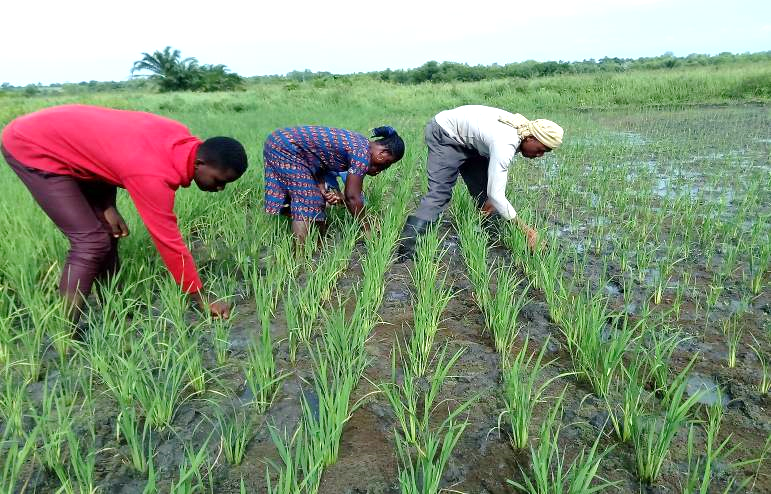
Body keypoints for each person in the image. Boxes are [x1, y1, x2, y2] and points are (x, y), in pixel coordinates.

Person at [1, 104, 248, 319]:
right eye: (219, 180)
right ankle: (66, 329)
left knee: (107, 233)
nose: (220, 188)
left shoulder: (179, 137)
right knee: (91, 242)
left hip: (67, 139)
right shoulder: (153, 175)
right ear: (200, 164)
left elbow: (110, 147)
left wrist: (107, 205)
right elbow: (169, 243)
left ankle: (114, 308)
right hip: (31, 143)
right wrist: (200, 298)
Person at [397, 105, 563, 259]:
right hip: (445, 133)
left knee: (485, 195)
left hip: (472, 142)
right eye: (541, 150)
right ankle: (407, 252)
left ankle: (494, 237)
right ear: (530, 138)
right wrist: (528, 232)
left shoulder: (522, 131)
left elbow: (492, 195)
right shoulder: (505, 142)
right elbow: (497, 195)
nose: (540, 155)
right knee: (439, 194)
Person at [263, 125, 404, 244]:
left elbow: (318, 160)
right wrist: (367, 229)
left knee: (316, 199)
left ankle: (317, 246)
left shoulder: (361, 144)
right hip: (286, 147)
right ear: (382, 153)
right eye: (386, 164)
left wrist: (322, 188)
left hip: (283, 143)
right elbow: (352, 198)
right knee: (307, 201)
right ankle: (299, 259)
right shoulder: (362, 154)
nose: (381, 170)